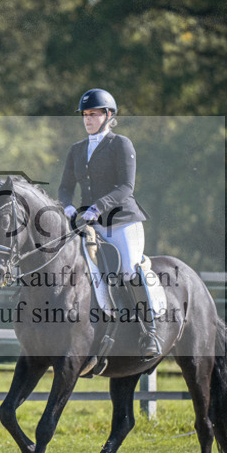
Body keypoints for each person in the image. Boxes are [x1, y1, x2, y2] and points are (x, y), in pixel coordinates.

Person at [58, 88, 165, 359]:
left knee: (128, 269)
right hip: (91, 225)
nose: (88, 119)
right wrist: (68, 206)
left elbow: (126, 187)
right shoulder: (77, 150)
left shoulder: (121, 144)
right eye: (85, 114)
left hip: (122, 222)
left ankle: (149, 331)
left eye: (93, 114)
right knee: (81, 271)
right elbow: (65, 187)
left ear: (108, 115)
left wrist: (97, 207)